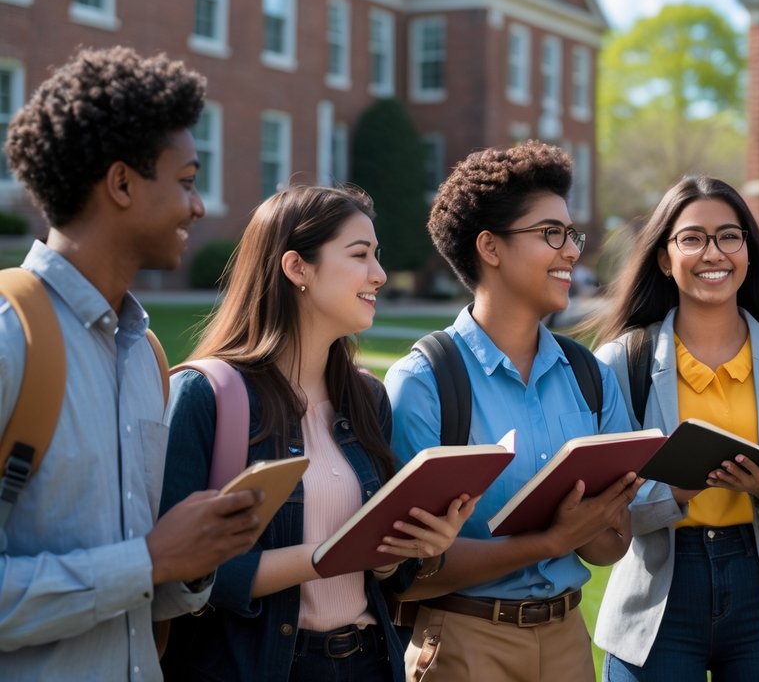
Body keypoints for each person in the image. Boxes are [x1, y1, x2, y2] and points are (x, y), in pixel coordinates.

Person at [0, 46, 263, 678]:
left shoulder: (146, 355)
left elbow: (147, 585)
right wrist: (149, 561)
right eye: (188, 180)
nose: (198, 207)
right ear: (122, 184)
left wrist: (195, 560)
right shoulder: (10, 340)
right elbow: (141, 564)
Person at [160, 185, 473, 681]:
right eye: (360, 255)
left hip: (370, 661)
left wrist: (412, 550)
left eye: (378, 255)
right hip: (264, 665)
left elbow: (386, 579)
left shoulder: (368, 399)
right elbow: (181, 572)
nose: (380, 274)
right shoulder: (205, 395)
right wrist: (326, 556)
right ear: (296, 268)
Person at [385, 142, 640, 681]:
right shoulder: (424, 382)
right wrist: (549, 541)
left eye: (572, 235)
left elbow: (609, 547)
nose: (571, 251)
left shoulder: (590, 377)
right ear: (490, 248)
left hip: (570, 642)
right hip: (461, 645)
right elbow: (408, 572)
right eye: (551, 234)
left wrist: (599, 522)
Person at [588, 175, 759, 681]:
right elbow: (601, 508)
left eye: (729, 236)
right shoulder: (621, 362)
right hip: (658, 593)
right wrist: (674, 490)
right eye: (693, 238)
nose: (714, 253)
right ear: (665, 257)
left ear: (748, 252)